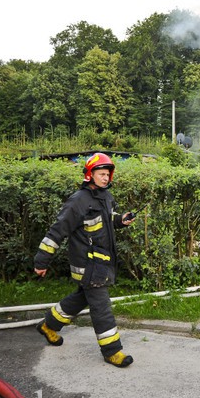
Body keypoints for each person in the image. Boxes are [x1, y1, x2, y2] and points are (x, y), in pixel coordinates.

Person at [34, 152, 135, 368]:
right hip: (88, 265)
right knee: (101, 306)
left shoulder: (106, 197)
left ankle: (48, 325)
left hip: (102, 262)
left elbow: (107, 221)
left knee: (81, 299)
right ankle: (112, 351)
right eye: (101, 174)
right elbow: (56, 231)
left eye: (108, 174)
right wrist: (41, 261)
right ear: (90, 174)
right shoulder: (78, 201)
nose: (106, 178)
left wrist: (120, 220)